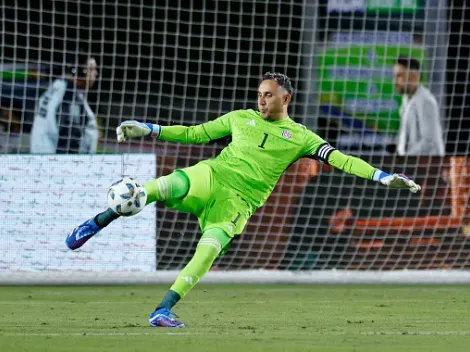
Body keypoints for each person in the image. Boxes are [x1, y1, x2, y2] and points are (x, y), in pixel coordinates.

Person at [65, 72, 421, 328]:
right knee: (151, 189)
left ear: (286, 98)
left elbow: (342, 159)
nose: (261, 99)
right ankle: (96, 222)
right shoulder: (240, 119)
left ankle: (162, 309)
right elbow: (195, 134)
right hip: (211, 177)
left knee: (205, 254)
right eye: (259, 94)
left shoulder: (301, 137)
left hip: (238, 204)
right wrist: (151, 128)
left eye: (268, 94)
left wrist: (381, 175)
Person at [30, 53, 99, 154]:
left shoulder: (56, 88)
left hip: (43, 157)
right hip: (56, 163)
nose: (95, 73)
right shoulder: (70, 98)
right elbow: (70, 136)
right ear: (81, 72)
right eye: (92, 69)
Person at [391, 56, 445, 156]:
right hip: (414, 164)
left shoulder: (425, 101)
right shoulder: (407, 100)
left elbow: (430, 142)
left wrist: (405, 159)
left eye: (399, 76)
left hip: (427, 166)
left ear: (415, 76)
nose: (395, 81)